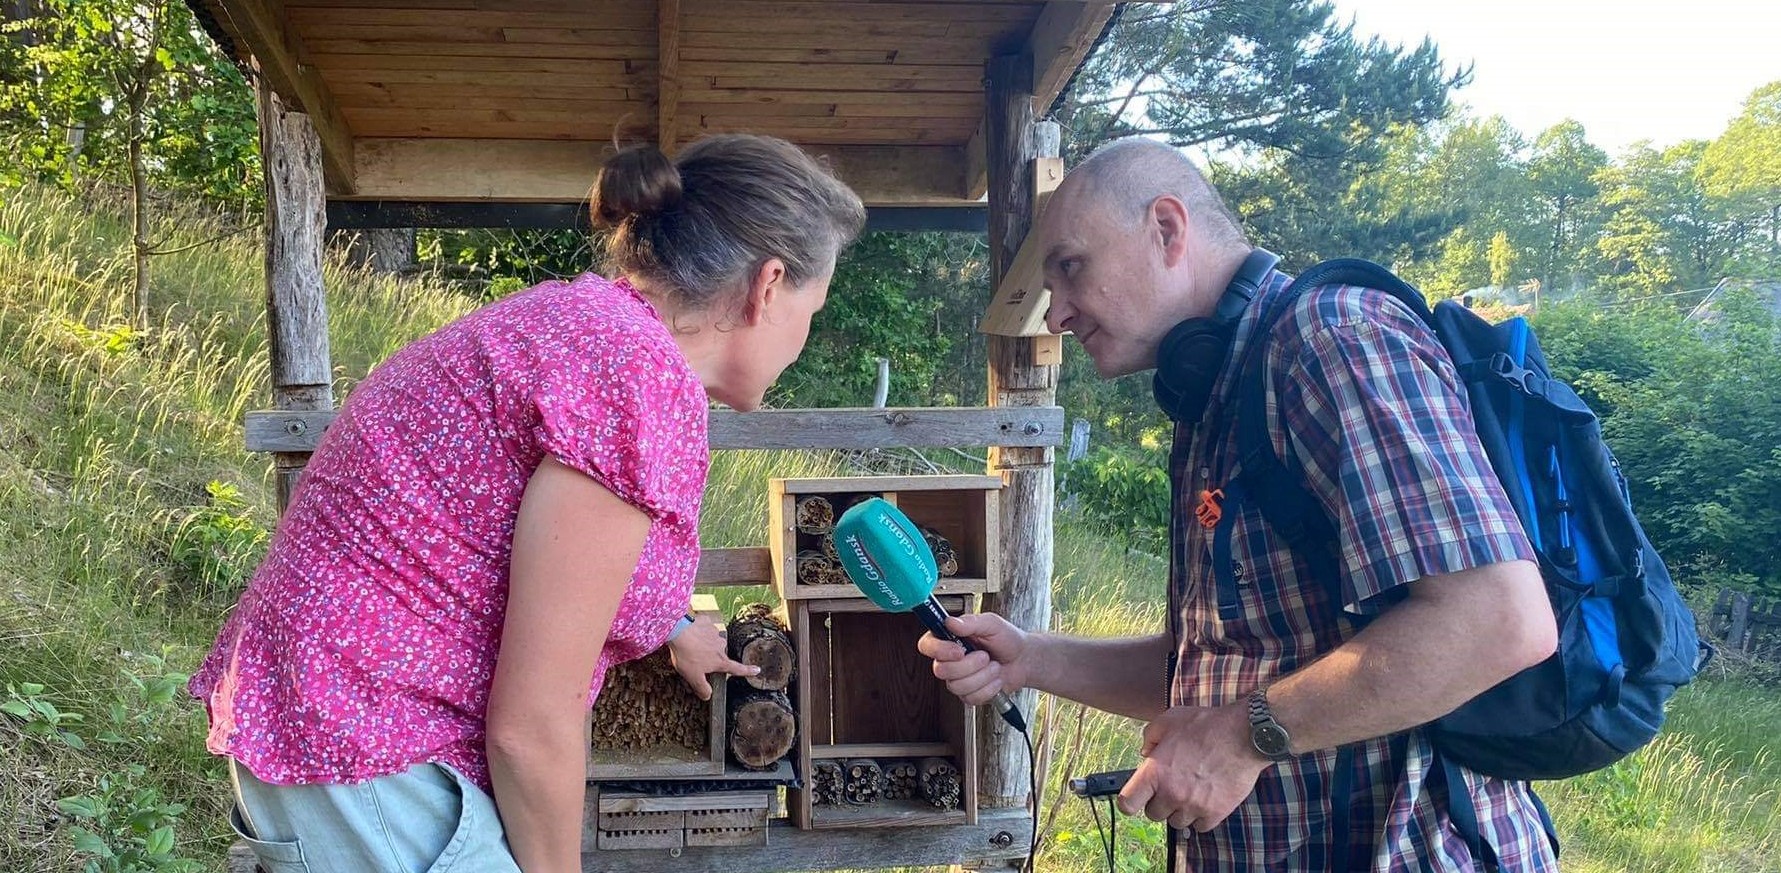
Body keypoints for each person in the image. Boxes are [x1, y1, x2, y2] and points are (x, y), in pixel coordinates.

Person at [191, 133, 866, 873]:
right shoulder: (636, 377)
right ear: (769, 286)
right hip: (369, 747)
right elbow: (530, 724)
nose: (806, 337)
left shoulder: (587, 326)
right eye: (815, 307)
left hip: (328, 723)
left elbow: (516, 553)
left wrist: (669, 625)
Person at [919, 138, 1561, 871]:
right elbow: (1219, 665)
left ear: (1166, 229)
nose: (1057, 313)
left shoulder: (1334, 340)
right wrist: (1030, 658)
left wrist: (1239, 736)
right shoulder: (1217, 396)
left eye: (1070, 267)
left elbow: (1499, 620)